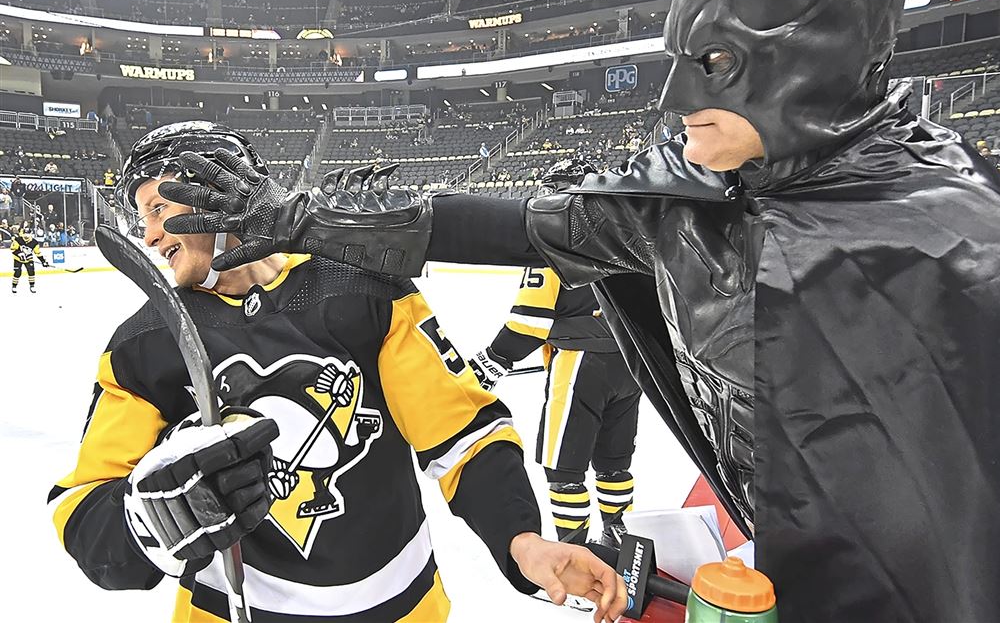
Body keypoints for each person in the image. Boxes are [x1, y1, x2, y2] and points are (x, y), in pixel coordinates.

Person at [161, 0, 1000, 622]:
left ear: (809, 62)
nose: (677, 102)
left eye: (712, 61)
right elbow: (508, 224)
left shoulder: (958, 246)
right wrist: (297, 216)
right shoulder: (699, 200)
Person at [50, 122, 625, 623]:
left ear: (218, 191)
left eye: (158, 209)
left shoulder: (359, 287)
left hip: (401, 607)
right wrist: (151, 518)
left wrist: (521, 538)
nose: (148, 235)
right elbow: (80, 507)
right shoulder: (144, 344)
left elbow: (461, 434)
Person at [468, 163, 641, 548]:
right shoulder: (626, 235)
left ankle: (576, 553)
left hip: (580, 364)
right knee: (614, 463)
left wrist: (492, 360)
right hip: (632, 364)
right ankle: (618, 540)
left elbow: (529, 321)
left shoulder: (555, 243)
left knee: (563, 467)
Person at [11, 221, 49, 294]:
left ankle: (32, 286)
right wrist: (20, 254)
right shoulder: (18, 240)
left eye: (28, 234)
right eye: (25, 233)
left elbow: (38, 253)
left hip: (28, 259)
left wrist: (43, 261)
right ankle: (14, 286)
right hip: (18, 259)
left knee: (31, 272)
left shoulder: (34, 242)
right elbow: (13, 249)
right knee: (17, 272)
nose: (26, 235)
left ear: (31, 234)